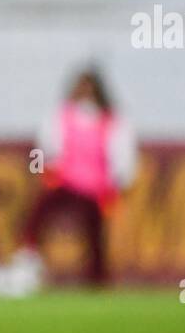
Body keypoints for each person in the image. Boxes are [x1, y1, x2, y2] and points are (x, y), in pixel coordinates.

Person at [13, 68, 137, 288]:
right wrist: (47, 172)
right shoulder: (61, 116)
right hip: (65, 184)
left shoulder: (112, 121)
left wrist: (117, 187)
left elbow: (122, 158)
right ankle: (28, 261)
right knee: (36, 217)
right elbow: (48, 147)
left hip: (96, 191)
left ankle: (97, 280)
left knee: (96, 235)